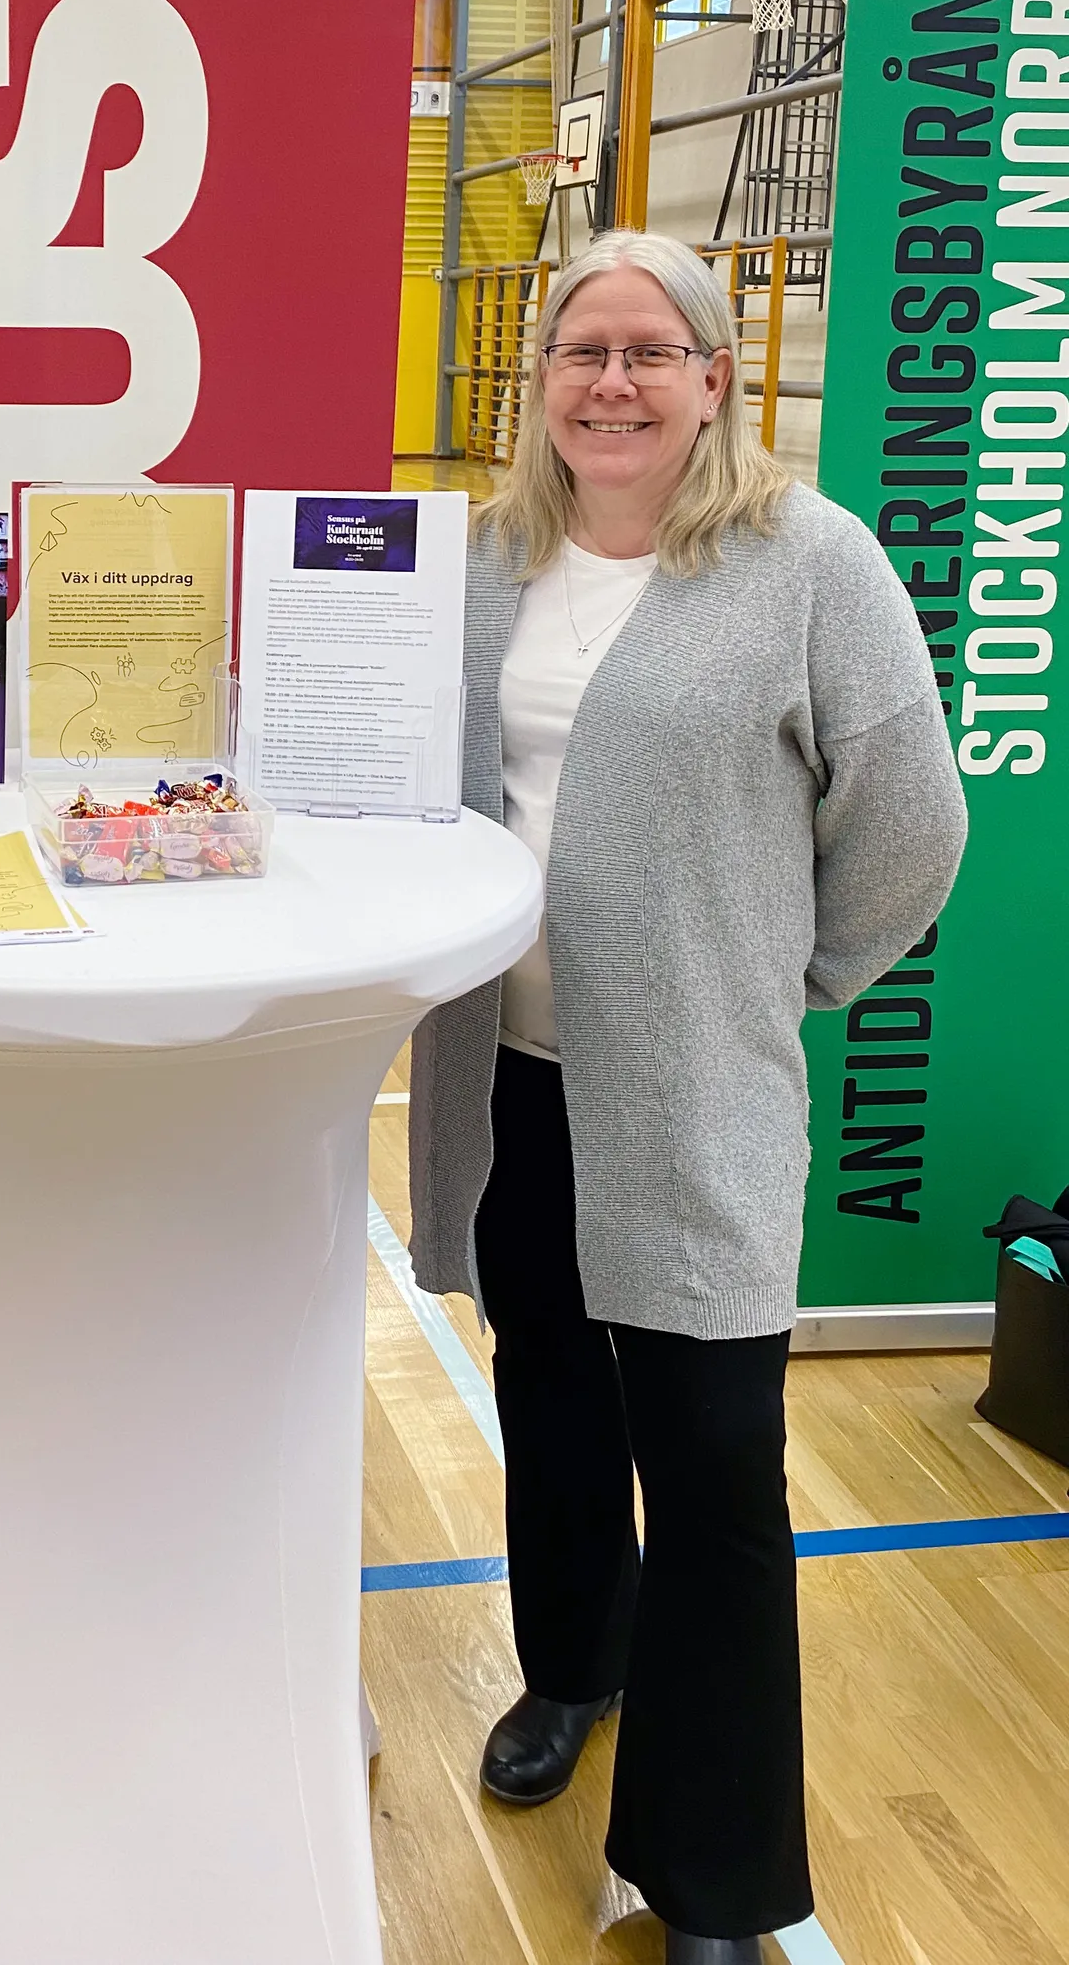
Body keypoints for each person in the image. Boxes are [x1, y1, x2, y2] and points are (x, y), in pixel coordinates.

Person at [407, 230, 966, 1965]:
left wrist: (782, 980)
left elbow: (913, 824)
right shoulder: (489, 560)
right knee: (555, 1402)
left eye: (655, 351)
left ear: (717, 378)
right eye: (584, 350)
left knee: (718, 1466)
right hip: (507, 1081)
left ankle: (710, 1868)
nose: (616, 382)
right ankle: (576, 1666)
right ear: (543, 380)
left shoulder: (809, 563)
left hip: (699, 1097)